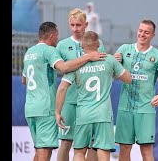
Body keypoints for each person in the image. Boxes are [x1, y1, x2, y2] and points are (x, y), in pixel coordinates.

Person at [22, 21, 105, 161]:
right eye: (57, 35)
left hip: (30, 107)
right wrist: (87, 57)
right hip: (45, 107)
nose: (58, 39)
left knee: (38, 150)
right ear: (52, 36)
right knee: (44, 152)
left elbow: (24, 80)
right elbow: (64, 68)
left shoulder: (29, 52)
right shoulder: (49, 50)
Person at [55, 31, 132, 161]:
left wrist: (57, 112)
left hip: (83, 114)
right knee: (103, 151)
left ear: (82, 46)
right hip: (103, 114)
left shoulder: (76, 64)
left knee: (79, 152)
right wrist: (121, 63)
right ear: (98, 45)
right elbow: (128, 79)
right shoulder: (109, 60)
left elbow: (62, 87)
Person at [114, 19, 158, 161]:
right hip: (125, 108)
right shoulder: (123, 49)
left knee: (146, 150)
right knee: (124, 149)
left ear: (153, 35)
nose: (142, 34)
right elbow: (111, 73)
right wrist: (114, 62)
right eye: (140, 31)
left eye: (146, 32)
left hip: (145, 109)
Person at [56, 8, 106, 161]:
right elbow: (62, 68)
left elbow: (102, 68)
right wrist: (86, 58)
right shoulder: (62, 45)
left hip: (91, 103)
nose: (75, 28)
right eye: (72, 25)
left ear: (86, 24)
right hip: (70, 102)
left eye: (78, 25)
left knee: (92, 144)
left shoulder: (98, 43)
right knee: (65, 142)